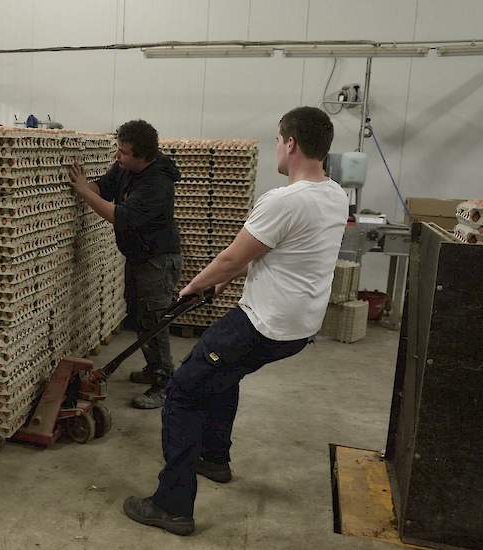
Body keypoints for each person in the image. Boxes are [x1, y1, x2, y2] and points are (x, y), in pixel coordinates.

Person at [122, 106, 350, 535]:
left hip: (265, 323)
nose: (277, 149)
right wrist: (229, 278)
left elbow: (232, 256)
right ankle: (213, 459)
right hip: (299, 326)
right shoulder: (335, 194)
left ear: (292, 144)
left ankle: (171, 505)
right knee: (222, 374)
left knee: (184, 390)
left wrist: (195, 286)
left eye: (278, 141)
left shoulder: (283, 199)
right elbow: (285, 253)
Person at [67, 120, 182, 409]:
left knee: (155, 321)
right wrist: (80, 187)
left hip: (158, 261)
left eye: (124, 152)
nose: (118, 156)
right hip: (138, 257)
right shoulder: (125, 169)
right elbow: (103, 188)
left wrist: (84, 193)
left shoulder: (158, 183)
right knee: (140, 315)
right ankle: (153, 368)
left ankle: (164, 383)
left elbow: (122, 217)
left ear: (142, 156)